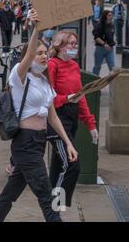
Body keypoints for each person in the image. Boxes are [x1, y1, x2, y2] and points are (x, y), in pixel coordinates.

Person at [0, 9, 78, 222]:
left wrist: (68, 143)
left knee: (10, 194)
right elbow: (28, 55)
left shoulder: (44, 82)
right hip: (25, 142)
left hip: (39, 142)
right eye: (40, 53)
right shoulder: (19, 77)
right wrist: (36, 28)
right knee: (47, 197)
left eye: (46, 53)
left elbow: (53, 117)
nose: (44, 56)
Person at [47, 31, 99, 208]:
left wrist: (91, 124)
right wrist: (67, 98)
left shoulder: (74, 66)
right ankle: (56, 207)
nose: (74, 47)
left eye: (76, 43)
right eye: (71, 43)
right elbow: (49, 99)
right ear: (59, 46)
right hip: (57, 119)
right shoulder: (52, 65)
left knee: (58, 165)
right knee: (71, 165)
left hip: (72, 117)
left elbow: (81, 96)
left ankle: (52, 208)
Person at [92, 10, 116, 76]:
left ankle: (113, 84)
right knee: (97, 67)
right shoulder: (99, 25)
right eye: (109, 15)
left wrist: (112, 42)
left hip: (110, 49)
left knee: (113, 68)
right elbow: (96, 37)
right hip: (100, 49)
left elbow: (111, 35)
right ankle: (94, 83)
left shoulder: (111, 25)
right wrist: (104, 44)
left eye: (111, 15)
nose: (111, 17)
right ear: (105, 16)